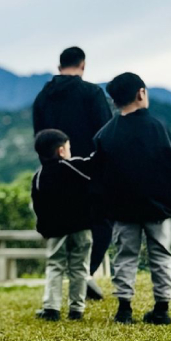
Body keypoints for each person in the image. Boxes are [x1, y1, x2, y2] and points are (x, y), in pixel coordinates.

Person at [92, 73, 171, 325]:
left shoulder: (105, 134)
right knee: (161, 255)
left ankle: (124, 309)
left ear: (114, 101)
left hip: (122, 209)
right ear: (141, 93)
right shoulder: (159, 127)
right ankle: (161, 308)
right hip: (158, 206)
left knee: (124, 256)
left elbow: (98, 174)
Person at [32, 46, 113, 298]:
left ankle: (67, 285)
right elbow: (106, 134)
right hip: (87, 173)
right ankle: (84, 274)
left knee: (62, 227)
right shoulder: (91, 93)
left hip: (53, 174)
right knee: (101, 224)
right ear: (83, 65)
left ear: (59, 67)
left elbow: (40, 138)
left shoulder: (42, 97)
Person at [31, 129, 94, 321]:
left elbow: (38, 206)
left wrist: (43, 229)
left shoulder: (39, 176)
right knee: (80, 268)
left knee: (55, 266)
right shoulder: (73, 166)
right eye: (68, 148)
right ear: (60, 151)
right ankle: (76, 309)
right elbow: (93, 167)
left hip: (55, 231)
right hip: (81, 227)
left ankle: (51, 308)